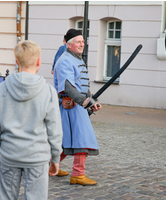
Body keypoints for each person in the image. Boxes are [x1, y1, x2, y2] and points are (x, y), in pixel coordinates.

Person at [0, 40, 63, 199]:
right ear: (38, 61)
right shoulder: (48, 91)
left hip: (10, 155)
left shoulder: (2, 88)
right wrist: (55, 157)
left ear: (17, 61)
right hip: (37, 157)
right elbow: (54, 129)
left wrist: (0, 147)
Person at [53, 28, 102, 185]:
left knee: (66, 140)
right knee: (82, 139)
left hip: (77, 105)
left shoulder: (77, 59)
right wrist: (85, 102)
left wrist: (92, 102)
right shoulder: (65, 60)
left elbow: (82, 86)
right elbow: (68, 86)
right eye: (78, 42)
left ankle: (49, 166)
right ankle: (78, 175)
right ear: (69, 45)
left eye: (83, 41)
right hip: (70, 106)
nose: (82, 44)